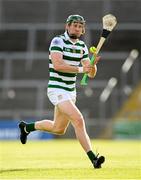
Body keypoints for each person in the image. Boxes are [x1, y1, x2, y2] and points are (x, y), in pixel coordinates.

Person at [19, 14, 105, 169]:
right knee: (78, 119)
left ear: (82, 30)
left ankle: (26, 127)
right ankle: (94, 158)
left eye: (80, 26)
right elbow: (58, 65)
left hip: (70, 92)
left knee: (58, 128)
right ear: (67, 26)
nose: (77, 28)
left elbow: (90, 74)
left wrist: (92, 64)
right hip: (57, 89)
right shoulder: (58, 41)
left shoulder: (82, 47)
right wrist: (81, 68)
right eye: (74, 25)